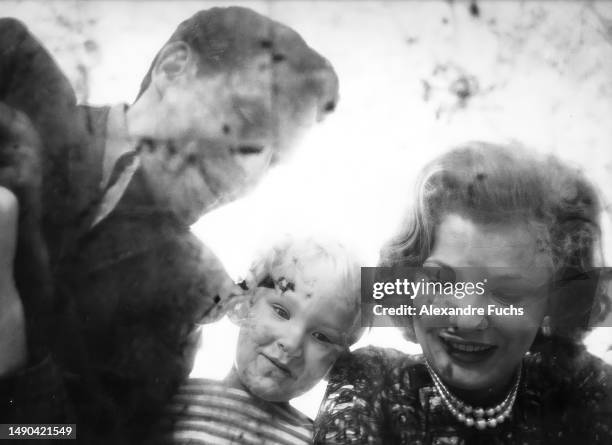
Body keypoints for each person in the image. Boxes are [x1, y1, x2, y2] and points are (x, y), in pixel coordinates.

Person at [0, 7, 338, 444]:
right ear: (173, 68)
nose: (250, 175)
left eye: (272, 162)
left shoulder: (180, 303)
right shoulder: (17, 76)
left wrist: (12, 308)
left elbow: (58, 438)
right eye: (248, 120)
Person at [314, 142, 612, 444]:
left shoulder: (588, 388)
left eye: (507, 293)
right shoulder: (371, 382)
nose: (467, 318)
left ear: (555, 300)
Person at [161, 237, 363, 444]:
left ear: (337, 363)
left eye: (321, 337)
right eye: (281, 311)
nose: (292, 343)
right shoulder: (167, 401)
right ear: (243, 304)